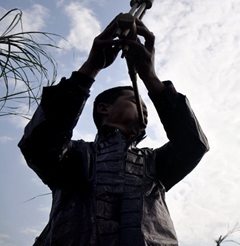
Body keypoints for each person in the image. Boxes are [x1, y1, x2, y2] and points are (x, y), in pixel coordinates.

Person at [18, 15, 209, 246]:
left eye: (147, 106)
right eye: (134, 100)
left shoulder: (155, 163)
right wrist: (91, 67)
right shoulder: (74, 157)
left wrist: (150, 77)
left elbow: (193, 144)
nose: (144, 109)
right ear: (104, 108)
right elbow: (38, 143)